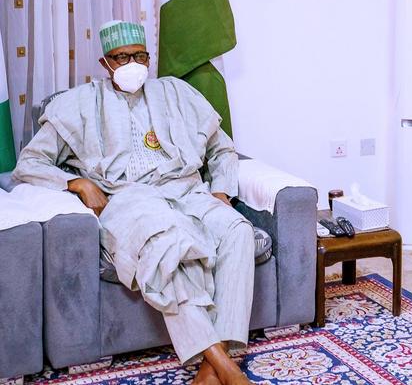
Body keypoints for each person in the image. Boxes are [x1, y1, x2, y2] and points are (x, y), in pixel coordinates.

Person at [13, 20, 254, 385]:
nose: (132, 64)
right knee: (166, 245)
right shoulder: (78, 104)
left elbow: (222, 148)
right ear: (104, 62)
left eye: (140, 56)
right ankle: (227, 367)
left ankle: (210, 369)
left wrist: (220, 191)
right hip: (129, 199)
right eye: (122, 57)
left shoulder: (176, 93)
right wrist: (76, 182)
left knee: (237, 230)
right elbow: (29, 164)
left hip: (187, 189)